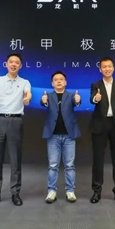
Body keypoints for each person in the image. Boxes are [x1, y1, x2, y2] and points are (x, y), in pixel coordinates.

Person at [0, 53, 32, 207]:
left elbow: (28, 94)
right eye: (11, 62)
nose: (13, 64)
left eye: (16, 62)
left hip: (15, 121)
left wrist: (27, 98)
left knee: (15, 160)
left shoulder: (25, 82)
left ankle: (15, 193)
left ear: (20, 66)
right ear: (6, 64)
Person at [89, 56, 115, 204]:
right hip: (99, 124)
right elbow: (92, 98)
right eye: (104, 67)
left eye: (109, 66)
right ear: (100, 69)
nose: (107, 69)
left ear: (113, 68)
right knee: (98, 160)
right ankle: (96, 191)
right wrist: (96, 99)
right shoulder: (96, 84)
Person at [40, 71, 81, 204]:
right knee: (53, 165)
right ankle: (51, 191)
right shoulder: (48, 96)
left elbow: (77, 102)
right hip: (53, 136)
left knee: (69, 165)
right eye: (56, 79)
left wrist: (78, 101)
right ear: (52, 83)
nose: (58, 81)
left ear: (65, 82)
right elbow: (43, 103)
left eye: (61, 79)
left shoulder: (72, 96)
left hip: (69, 135)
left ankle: (70, 191)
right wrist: (44, 101)